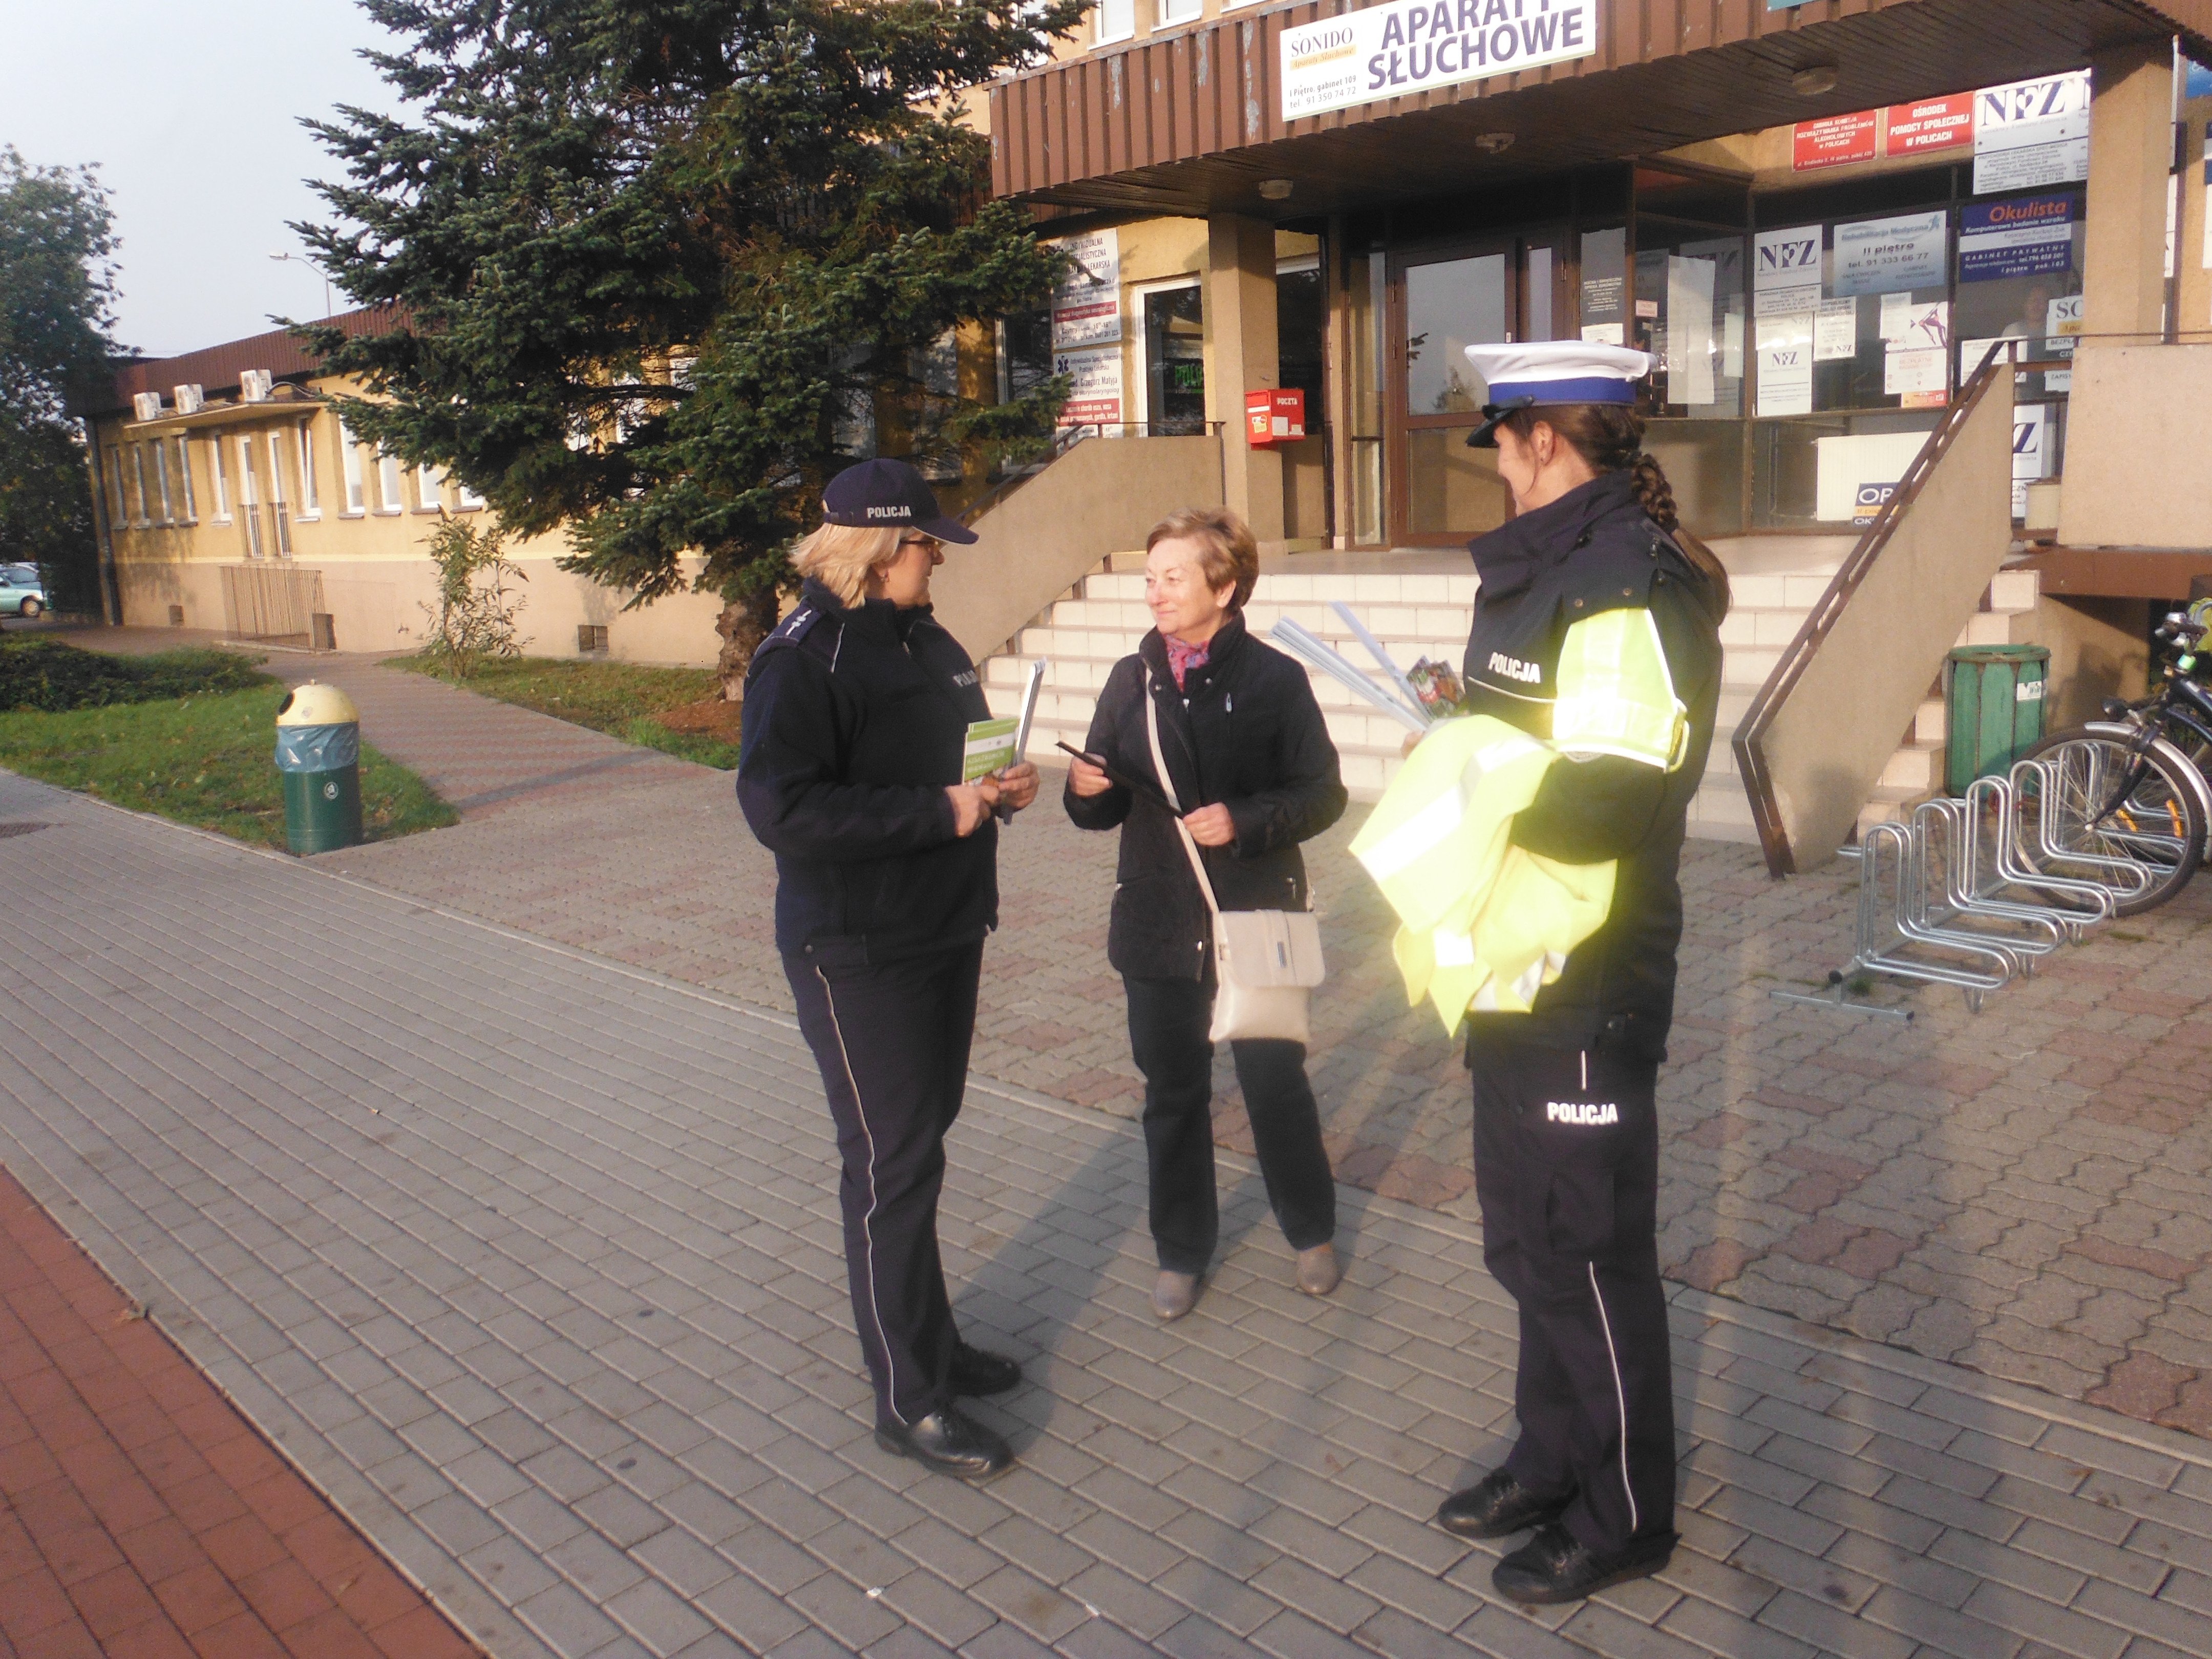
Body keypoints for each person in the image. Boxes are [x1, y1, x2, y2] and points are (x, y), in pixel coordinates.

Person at [1426, 343, 1728, 1603]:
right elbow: (1540, 732)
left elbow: (1610, 796)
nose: (1496, 465)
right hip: (1512, 953)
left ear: (1543, 439)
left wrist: (1467, 776)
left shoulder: (1625, 586)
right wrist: (1464, 727)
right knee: (1528, 1242)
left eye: (1501, 442)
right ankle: (1550, 1460)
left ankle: (1624, 1515)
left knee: (1590, 1253)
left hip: (1586, 973)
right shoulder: (1550, 569)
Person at [737, 458, 1040, 1482]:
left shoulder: (926, 637)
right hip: (858, 949)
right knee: (889, 1163)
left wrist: (995, 787)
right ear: (876, 549)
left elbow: (950, 763)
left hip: (945, 927)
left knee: (919, 1146)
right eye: (926, 544)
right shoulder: (801, 659)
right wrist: (936, 812)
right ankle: (909, 1400)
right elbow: (782, 811)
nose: (937, 560)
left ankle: (935, 1344)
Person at [1064, 507, 1348, 1322]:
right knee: (1172, 1092)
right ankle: (1181, 1249)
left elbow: (1323, 793)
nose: (1156, 592)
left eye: (1174, 576)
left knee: (1274, 1081)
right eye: (1150, 578)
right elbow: (1097, 808)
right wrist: (1086, 790)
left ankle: (1311, 1230)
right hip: (1158, 919)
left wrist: (1246, 819)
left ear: (1224, 588)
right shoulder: (1131, 680)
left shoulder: (1274, 679)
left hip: (1254, 914)